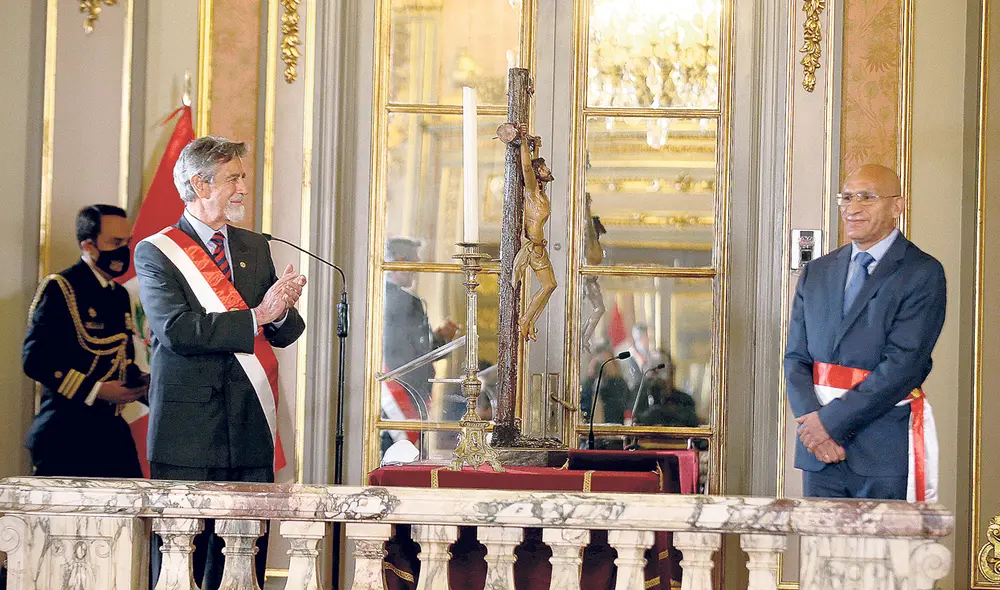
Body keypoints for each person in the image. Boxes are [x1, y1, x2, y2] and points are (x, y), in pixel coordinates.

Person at [135, 136, 306, 590]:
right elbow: (177, 330)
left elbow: (283, 332)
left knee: (244, 561)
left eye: (242, 177)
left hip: (250, 426)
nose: (243, 189)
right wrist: (259, 315)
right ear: (199, 184)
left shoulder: (253, 246)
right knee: (181, 562)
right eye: (234, 178)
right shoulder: (156, 251)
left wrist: (283, 308)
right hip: (187, 430)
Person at [784, 164, 946, 501]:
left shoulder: (922, 273)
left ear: (897, 206)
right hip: (818, 455)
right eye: (846, 197)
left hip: (881, 449)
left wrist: (829, 425)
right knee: (821, 554)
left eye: (867, 197)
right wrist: (814, 427)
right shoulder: (816, 271)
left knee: (883, 555)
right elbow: (796, 360)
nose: (853, 208)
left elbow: (903, 367)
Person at [22, 204, 147, 478]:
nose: (123, 250)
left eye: (127, 242)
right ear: (89, 246)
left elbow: (118, 359)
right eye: (115, 242)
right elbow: (35, 360)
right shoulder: (61, 288)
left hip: (110, 433)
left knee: (131, 514)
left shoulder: (118, 295)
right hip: (66, 432)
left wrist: (141, 385)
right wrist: (97, 390)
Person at [382, 237, 459, 417]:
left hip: (389, 395)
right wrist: (442, 338)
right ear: (401, 261)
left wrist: (436, 336)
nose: (416, 271)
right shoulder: (408, 302)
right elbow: (418, 353)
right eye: (414, 263)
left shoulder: (379, 295)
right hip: (408, 394)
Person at [510, 123, 557, 341]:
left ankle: (528, 321)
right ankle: (525, 320)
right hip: (532, 249)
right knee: (548, 285)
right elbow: (527, 167)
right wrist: (522, 143)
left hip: (541, 249)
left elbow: (534, 163)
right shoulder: (530, 192)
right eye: (544, 169)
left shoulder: (542, 194)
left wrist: (534, 146)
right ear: (538, 174)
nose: (548, 170)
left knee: (551, 285)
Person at [632, 357, 699, 428]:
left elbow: (692, 421)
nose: (657, 378)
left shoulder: (684, 399)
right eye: (654, 373)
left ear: (672, 374)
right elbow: (635, 420)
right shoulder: (641, 397)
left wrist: (664, 411)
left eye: (662, 373)